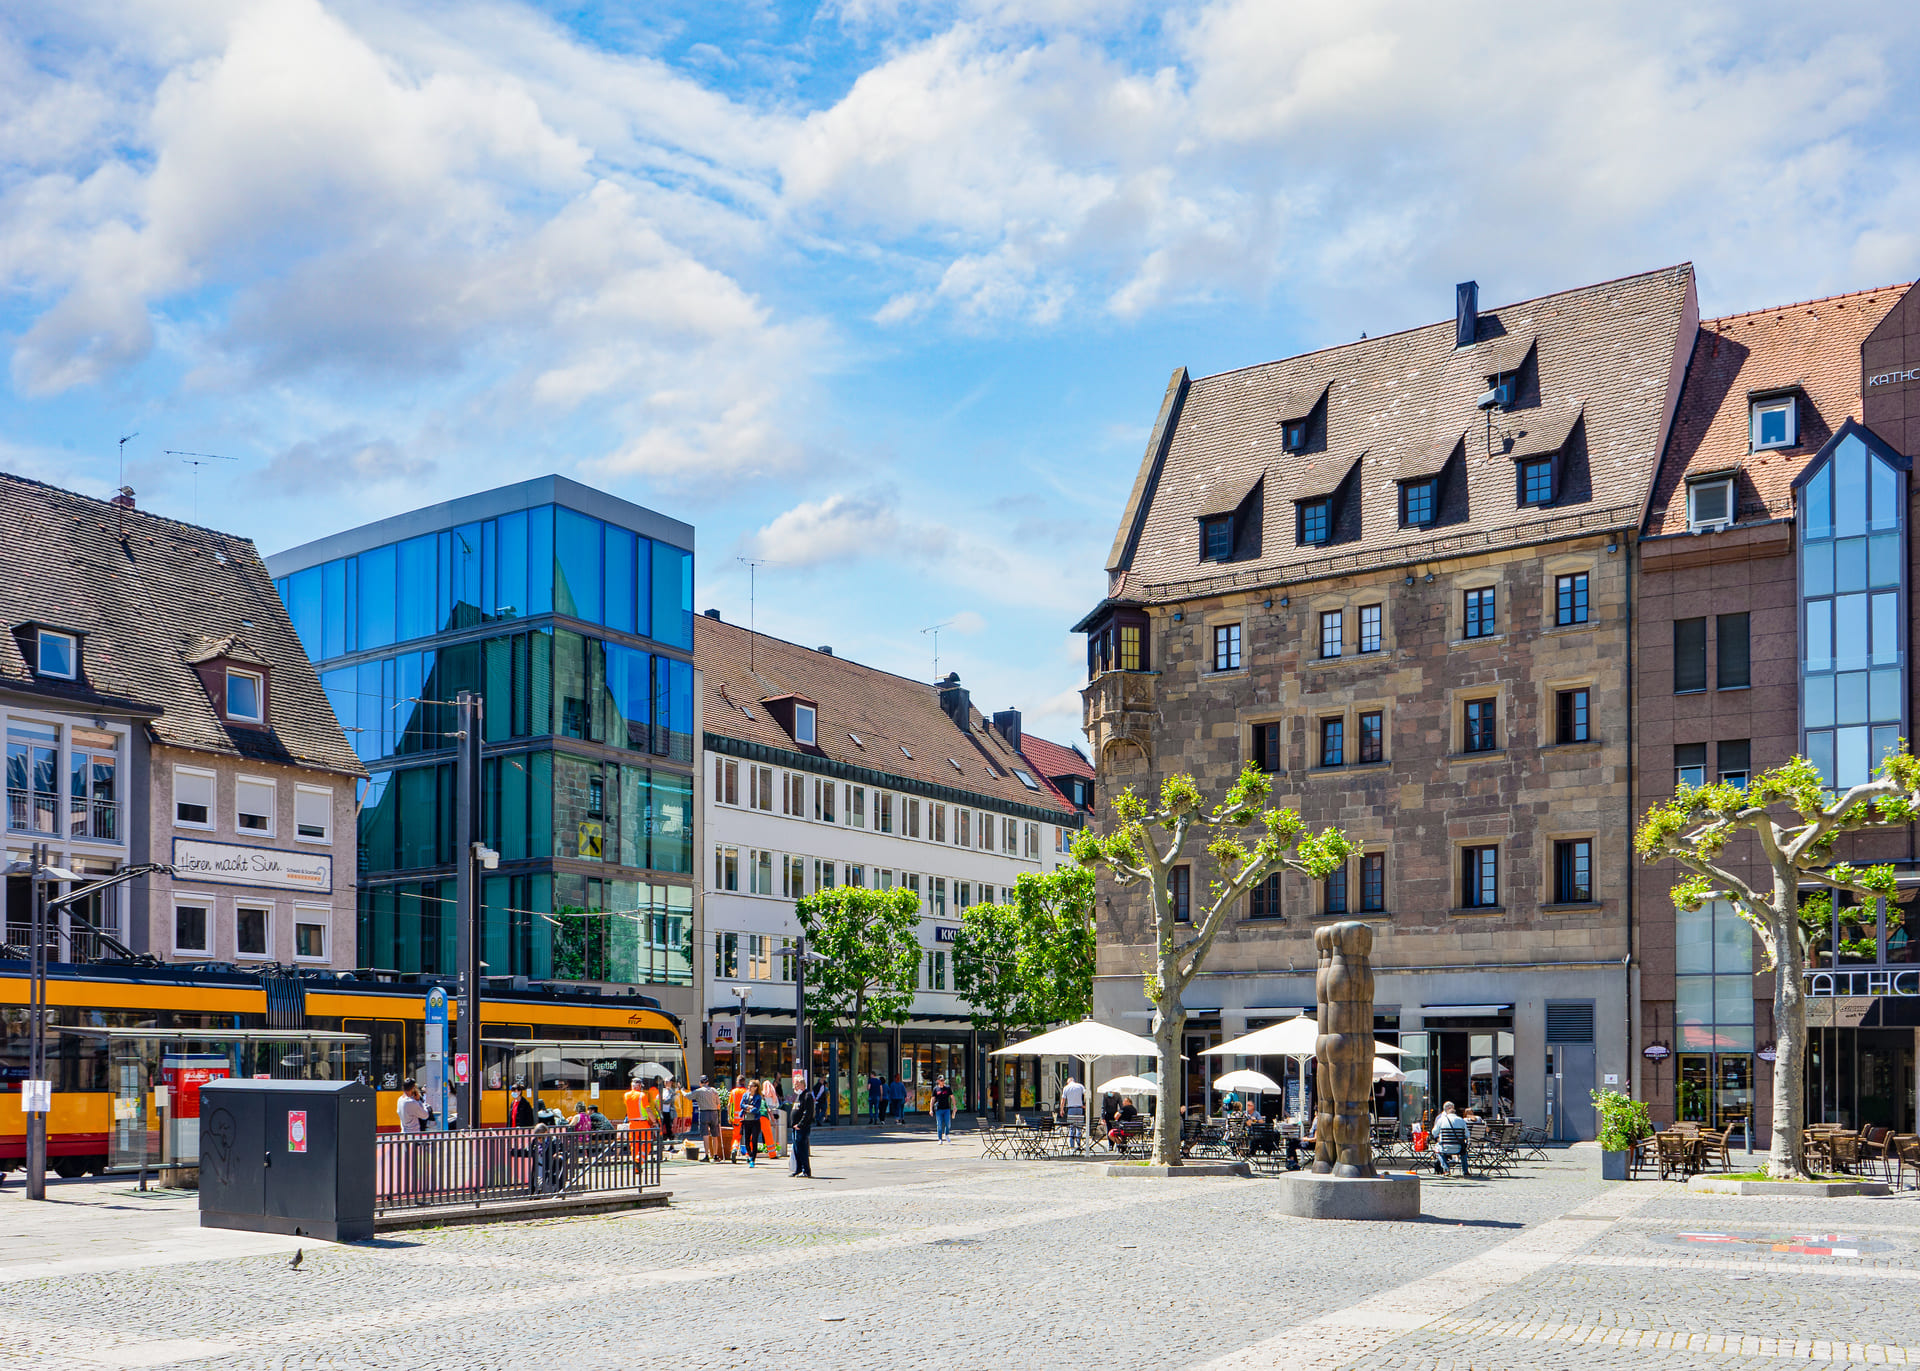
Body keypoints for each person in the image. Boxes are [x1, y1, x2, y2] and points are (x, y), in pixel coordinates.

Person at [1432, 1101, 1469, 1177]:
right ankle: (1465, 1170)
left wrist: (1438, 1138)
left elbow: (1434, 1132)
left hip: (1445, 1147)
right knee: (1464, 1151)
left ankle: (1446, 1169)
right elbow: (1467, 1134)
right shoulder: (1461, 1120)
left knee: (1437, 1149)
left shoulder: (1441, 1120)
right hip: (1459, 1148)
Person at [788, 1076, 816, 1178]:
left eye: (797, 1084)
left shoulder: (807, 1096)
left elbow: (808, 1113)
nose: (795, 1087)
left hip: (801, 1128)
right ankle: (798, 1169)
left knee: (802, 1149)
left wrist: (800, 1124)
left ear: (802, 1084)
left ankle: (806, 1170)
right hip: (795, 1128)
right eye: (794, 1085)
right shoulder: (799, 1096)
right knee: (796, 1149)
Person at [693, 1076, 723, 1162]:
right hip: (714, 1113)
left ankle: (706, 1155)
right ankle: (715, 1155)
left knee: (705, 1135)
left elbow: (688, 1096)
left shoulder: (699, 1091)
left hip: (704, 1113)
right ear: (708, 1082)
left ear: (700, 1083)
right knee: (715, 1135)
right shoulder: (713, 1090)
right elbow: (718, 1104)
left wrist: (682, 1091)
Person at [737, 1079, 761, 1166]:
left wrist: (749, 1109)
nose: (749, 1087)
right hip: (746, 1121)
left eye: (751, 1086)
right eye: (749, 1086)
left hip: (755, 1121)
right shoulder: (745, 1095)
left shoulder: (758, 1097)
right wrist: (748, 1107)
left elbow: (756, 1109)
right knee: (747, 1141)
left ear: (755, 1088)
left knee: (754, 1140)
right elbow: (741, 1105)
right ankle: (750, 1155)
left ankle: (753, 1159)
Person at [1059, 1075, 1087, 1148]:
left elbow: (1063, 1100)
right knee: (1079, 1127)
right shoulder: (1080, 1086)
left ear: (1068, 1082)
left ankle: (1072, 1145)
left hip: (1071, 1109)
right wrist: (1085, 1105)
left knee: (1072, 1127)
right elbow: (1086, 1095)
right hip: (1079, 1108)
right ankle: (1079, 1144)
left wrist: (1061, 1109)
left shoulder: (1066, 1088)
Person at [931, 1076, 954, 1143]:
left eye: (943, 1080)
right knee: (939, 1124)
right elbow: (932, 1099)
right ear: (938, 1081)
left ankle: (946, 1134)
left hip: (946, 1109)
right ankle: (940, 1138)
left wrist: (954, 1106)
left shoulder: (947, 1088)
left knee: (948, 1124)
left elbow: (952, 1097)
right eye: (941, 1080)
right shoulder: (935, 1089)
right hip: (938, 1109)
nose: (942, 1082)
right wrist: (931, 1109)